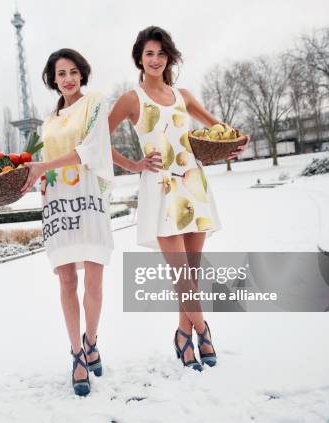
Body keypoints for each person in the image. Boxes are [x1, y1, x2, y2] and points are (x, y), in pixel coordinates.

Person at [109, 27, 248, 371]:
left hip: (193, 183)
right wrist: (133, 164)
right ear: (139, 59)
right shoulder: (131, 99)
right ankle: (203, 330)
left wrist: (232, 145)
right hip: (160, 188)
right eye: (148, 54)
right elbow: (96, 139)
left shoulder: (182, 95)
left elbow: (220, 129)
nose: (155, 60)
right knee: (181, 275)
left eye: (160, 53)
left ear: (168, 57)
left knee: (192, 273)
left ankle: (183, 337)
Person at [21, 48, 114, 396]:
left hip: (89, 197)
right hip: (58, 202)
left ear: (82, 73)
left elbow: (91, 150)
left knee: (94, 277)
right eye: (61, 74)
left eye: (73, 71)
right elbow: (41, 160)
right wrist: (33, 175)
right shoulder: (49, 121)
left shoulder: (95, 103)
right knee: (66, 281)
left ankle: (92, 340)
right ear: (53, 79)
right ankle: (76, 353)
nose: (68, 79)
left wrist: (44, 167)